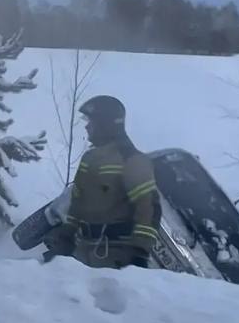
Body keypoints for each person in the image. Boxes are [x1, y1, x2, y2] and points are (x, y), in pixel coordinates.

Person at [47, 95, 160, 270]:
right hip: (82, 250)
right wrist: (66, 236)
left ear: (105, 124)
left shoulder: (133, 160)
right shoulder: (89, 159)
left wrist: (139, 252)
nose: (86, 126)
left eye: (91, 120)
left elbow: (148, 208)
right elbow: (77, 201)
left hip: (116, 255)